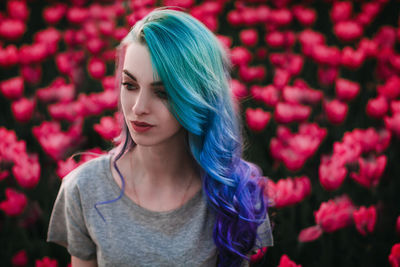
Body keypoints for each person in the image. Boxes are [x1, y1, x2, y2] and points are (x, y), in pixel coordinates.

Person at [47, 8, 273, 267]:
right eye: (130, 86)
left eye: (163, 93)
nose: (139, 107)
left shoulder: (238, 192)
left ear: (199, 97)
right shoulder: (84, 188)